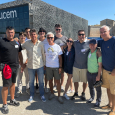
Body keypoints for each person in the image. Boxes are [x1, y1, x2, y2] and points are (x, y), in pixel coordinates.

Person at [19, 29, 46, 103]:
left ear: (37, 35)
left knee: (41, 82)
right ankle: (31, 95)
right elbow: (20, 48)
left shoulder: (41, 44)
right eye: (32, 34)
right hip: (30, 66)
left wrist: (44, 64)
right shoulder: (26, 43)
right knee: (31, 82)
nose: (33, 36)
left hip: (40, 65)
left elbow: (43, 54)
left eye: (34, 34)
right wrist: (17, 40)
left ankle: (42, 95)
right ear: (30, 36)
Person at [0, 26, 20, 114]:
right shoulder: (1, 41)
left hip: (15, 66)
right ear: (6, 33)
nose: (10, 34)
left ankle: (12, 99)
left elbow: (19, 53)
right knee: (5, 86)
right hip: (6, 67)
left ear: (14, 33)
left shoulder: (16, 43)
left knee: (13, 84)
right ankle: (4, 104)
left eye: (12, 32)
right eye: (9, 32)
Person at [98, 25, 115, 115]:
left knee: (114, 91)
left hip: (113, 71)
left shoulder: (114, 41)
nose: (103, 33)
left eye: (104, 31)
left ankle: (114, 109)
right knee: (108, 89)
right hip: (105, 70)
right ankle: (110, 104)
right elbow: (91, 42)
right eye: (101, 32)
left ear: (109, 31)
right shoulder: (102, 42)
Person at [45, 32, 63, 104]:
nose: (50, 39)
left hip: (56, 67)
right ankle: (52, 93)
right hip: (48, 67)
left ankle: (59, 96)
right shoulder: (45, 46)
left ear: (53, 38)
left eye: (51, 37)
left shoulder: (57, 46)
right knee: (50, 81)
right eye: (48, 37)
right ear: (47, 39)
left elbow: (60, 57)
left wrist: (60, 67)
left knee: (58, 81)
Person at [71, 30, 89, 100]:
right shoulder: (75, 43)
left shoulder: (89, 42)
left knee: (85, 81)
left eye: (82, 34)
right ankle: (76, 92)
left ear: (85, 35)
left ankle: (83, 93)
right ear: (77, 35)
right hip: (76, 65)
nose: (81, 36)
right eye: (79, 34)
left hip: (85, 66)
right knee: (76, 80)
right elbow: (68, 43)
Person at [87, 39, 102, 107]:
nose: (92, 45)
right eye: (90, 44)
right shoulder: (88, 51)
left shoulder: (98, 53)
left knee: (98, 89)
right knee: (90, 87)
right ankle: (92, 97)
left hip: (96, 74)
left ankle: (98, 101)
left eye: (94, 44)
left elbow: (100, 66)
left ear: (96, 45)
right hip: (89, 73)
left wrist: (98, 75)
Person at [15, 32, 29, 97]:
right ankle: (19, 90)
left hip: (26, 63)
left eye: (24, 36)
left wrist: (26, 62)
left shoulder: (27, 44)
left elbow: (29, 54)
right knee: (19, 77)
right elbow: (15, 53)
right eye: (21, 36)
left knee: (27, 77)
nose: (23, 37)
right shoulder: (16, 44)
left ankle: (27, 89)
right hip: (19, 63)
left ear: (25, 37)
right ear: (19, 36)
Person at [54, 24, 68, 91]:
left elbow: (69, 45)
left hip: (62, 57)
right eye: (57, 29)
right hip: (54, 57)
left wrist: (63, 46)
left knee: (62, 72)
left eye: (59, 29)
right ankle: (55, 85)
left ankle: (61, 85)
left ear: (61, 30)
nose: (58, 30)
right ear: (55, 30)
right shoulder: (53, 38)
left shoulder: (65, 38)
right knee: (55, 72)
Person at [25, 27, 39, 93]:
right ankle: (30, 87)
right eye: (27, 32)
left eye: (29, 31)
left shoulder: (38, 42)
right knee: (29, 75)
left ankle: (37, 84)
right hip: (29, 61)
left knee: (36, 74)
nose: (28, 33)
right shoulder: (25, 40)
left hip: (36, 61)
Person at [38, 27, 49, 93]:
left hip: (46, 60)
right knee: (39, 74)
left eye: (43, 32)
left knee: (46, 74)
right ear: (39, 33)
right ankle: (40, 86)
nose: (42, 32)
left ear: (45, 33)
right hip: (38, 60)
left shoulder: (47, 40)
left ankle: (45, 86)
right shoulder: (36, 40)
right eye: (41, 31)